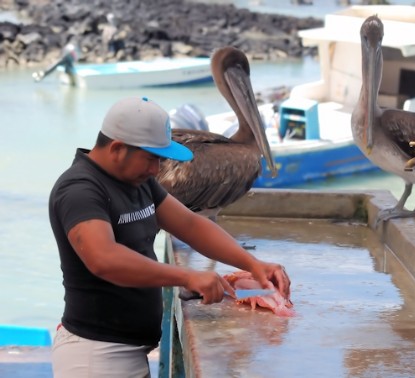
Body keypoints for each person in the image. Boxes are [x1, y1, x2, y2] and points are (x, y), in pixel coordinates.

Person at [48, 96, 291, 377]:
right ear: (117, 148)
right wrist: (187, 276)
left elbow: (191, 225)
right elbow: (104, 258)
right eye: (151, 158)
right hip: (95, 355)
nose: (156, 169)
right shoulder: (80, 190)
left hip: (128, 350)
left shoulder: (138, 182)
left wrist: (252, 264)